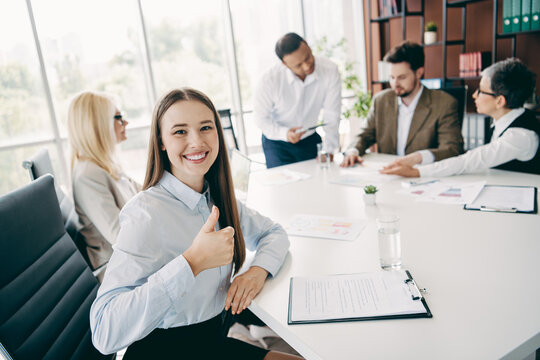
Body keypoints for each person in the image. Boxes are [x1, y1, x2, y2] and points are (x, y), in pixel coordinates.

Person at [90, 88, 301, 360]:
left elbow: (274, 233)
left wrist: (257, 271)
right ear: (162, 141)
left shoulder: (216, 197)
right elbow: (104, 332)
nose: (196, 142)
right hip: (166, 351)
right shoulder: (145, 214)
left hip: (210, 341)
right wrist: (192, 262)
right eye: (180, 132)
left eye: (206, 128)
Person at [381, 58, 539, 177]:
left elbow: (469, 161)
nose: (474, 95)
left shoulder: (520, 136)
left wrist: (416, 172)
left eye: (481, 91)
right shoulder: (503, 120)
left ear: (499, 101)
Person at [341, 41, 464, 167]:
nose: (395, 84)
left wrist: (420, 157)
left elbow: (452, 149)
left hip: (424, 176)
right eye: (392, 77)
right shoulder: (381, 101)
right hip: (388, 175)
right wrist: (353, 151)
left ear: (419, 73)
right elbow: (364, 135)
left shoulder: (444, 104)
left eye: (402, 77)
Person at [68, 91, 140, 272]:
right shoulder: (88, 175)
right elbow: (122, 239)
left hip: (134, 259)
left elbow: (143, 193)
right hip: (119, 270)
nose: (126, 123)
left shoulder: (105, 164)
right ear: (98, 125)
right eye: (119, 117)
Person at [254, 32, 341, 168]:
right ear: (285, 64)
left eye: (307, 57)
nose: (307, 66)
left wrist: (330, 148)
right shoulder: (269, 80)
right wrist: (285, 134)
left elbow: (332, 113)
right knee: (283, 188)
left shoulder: (329, 70)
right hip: (278, 143)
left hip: (310, 139)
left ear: (307, 45)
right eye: (298, 65)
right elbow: (261, 119)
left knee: (317, 184)